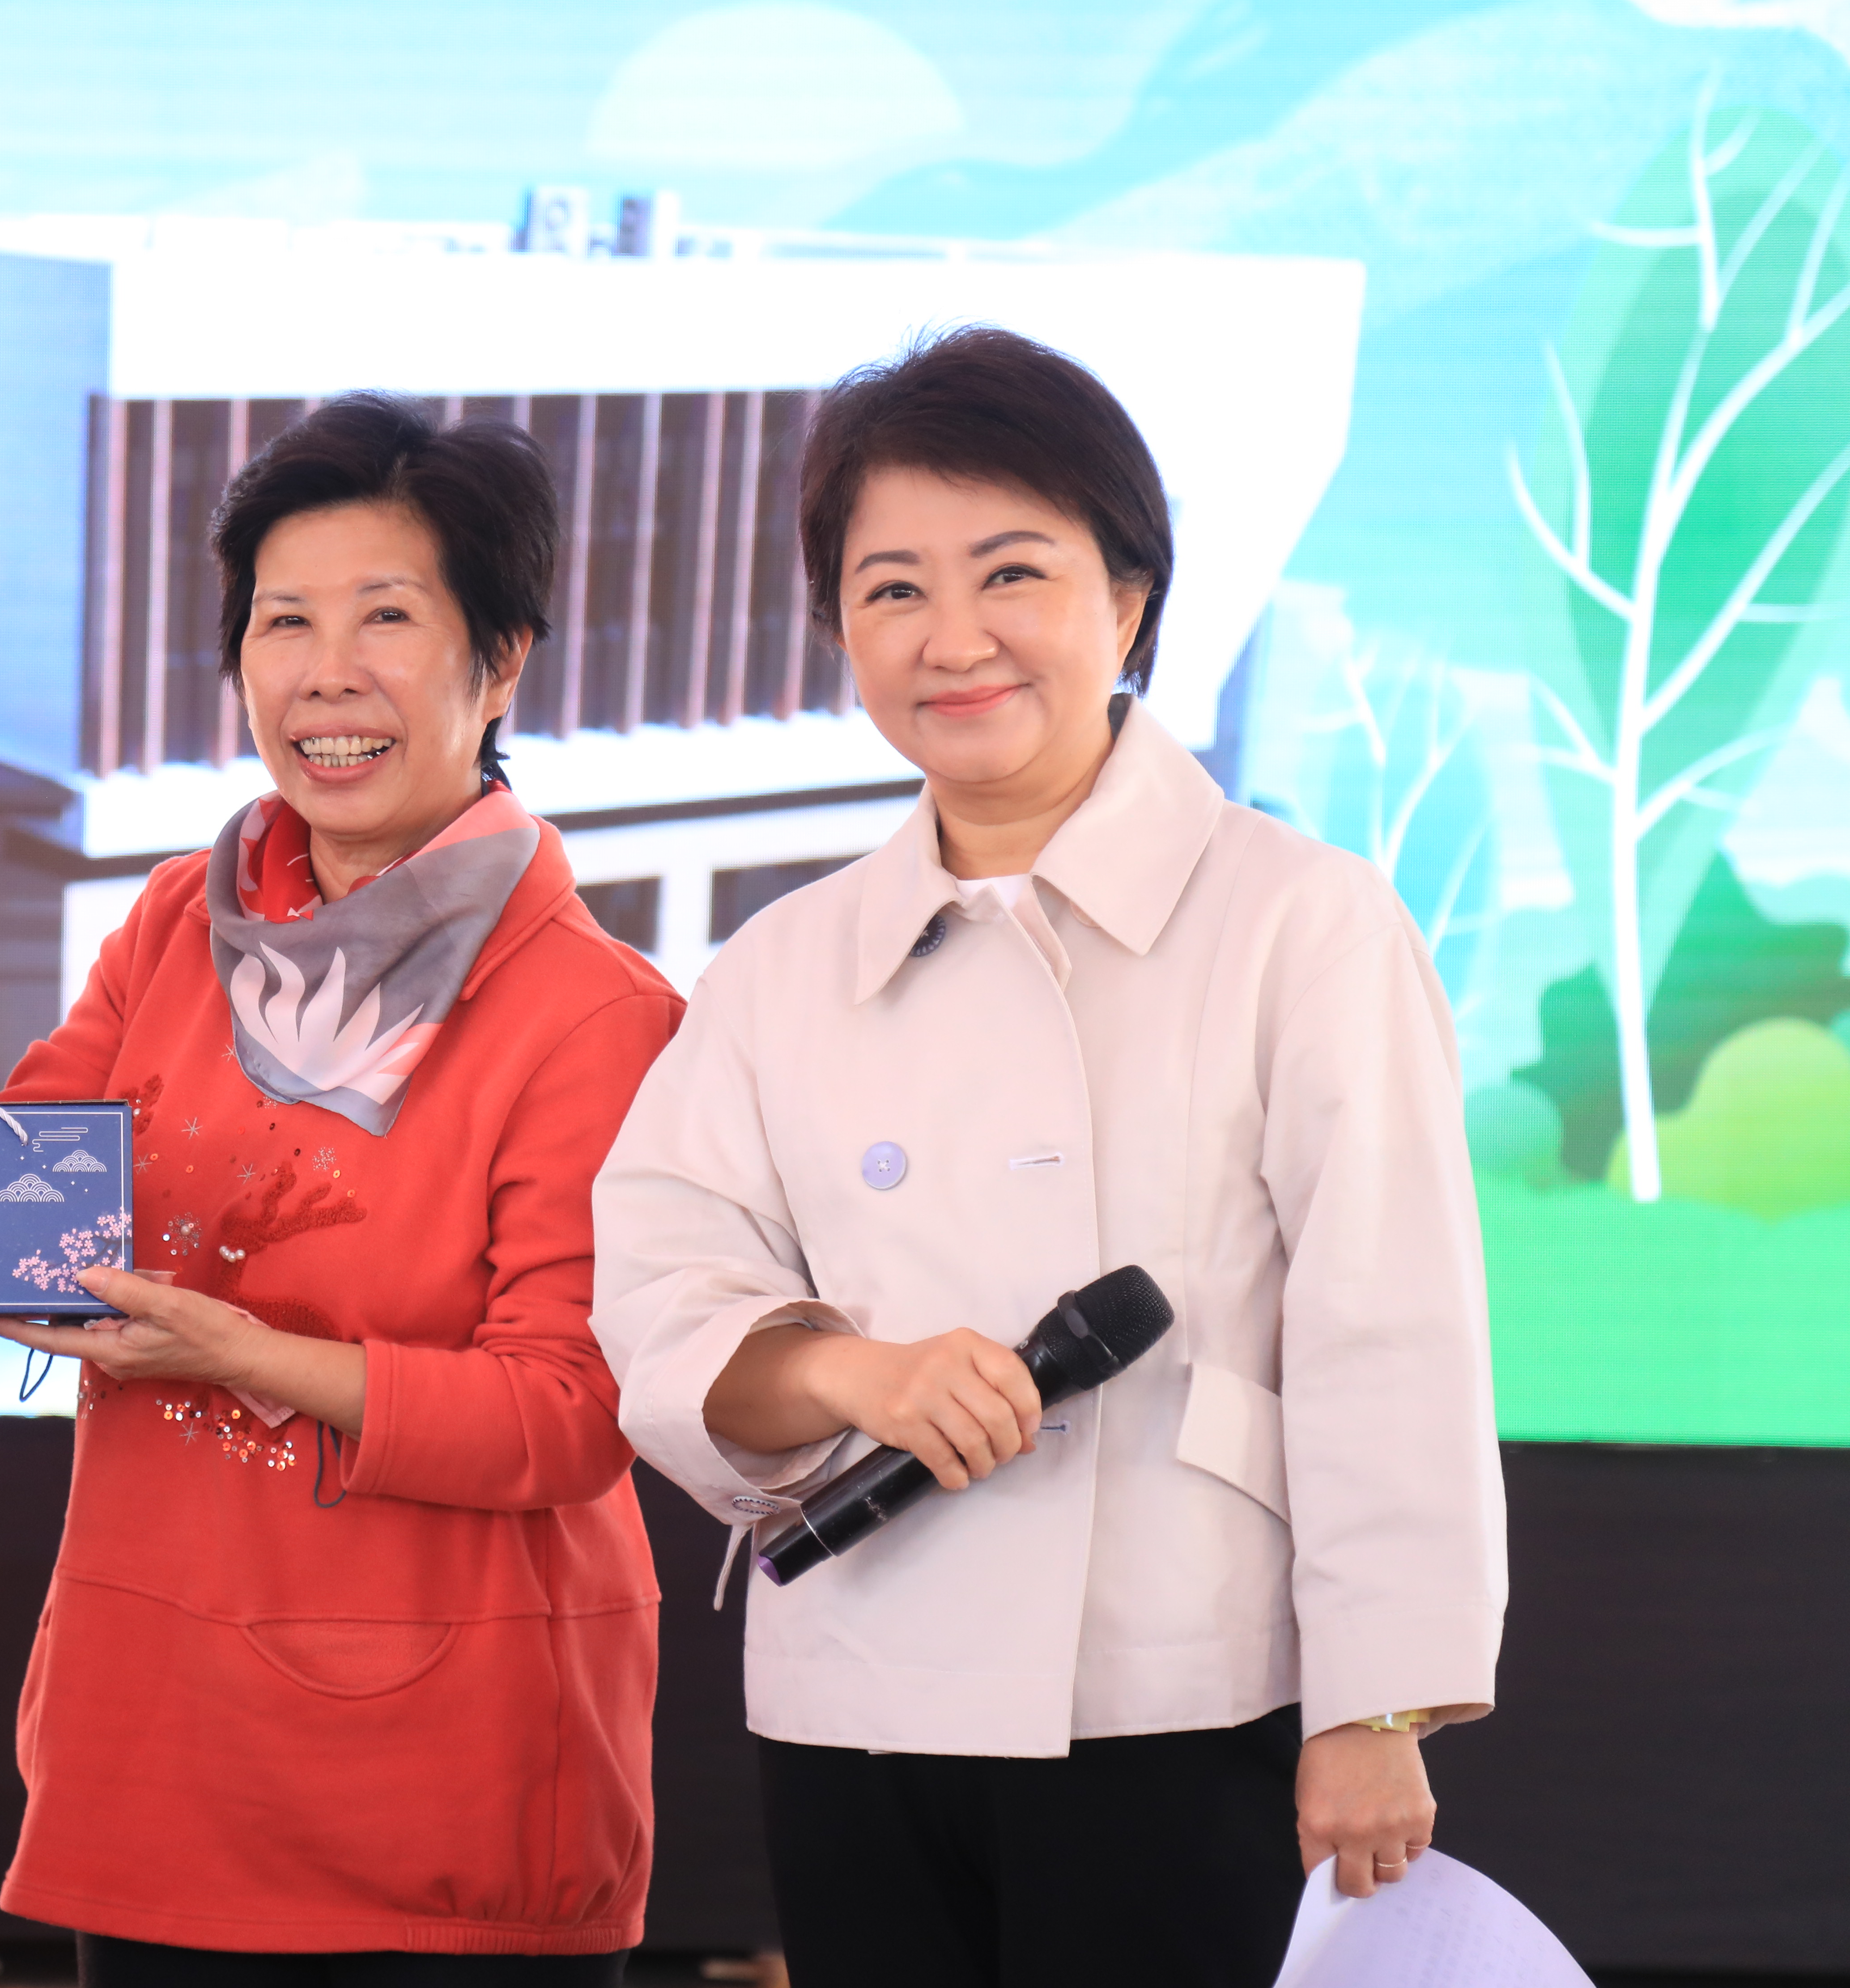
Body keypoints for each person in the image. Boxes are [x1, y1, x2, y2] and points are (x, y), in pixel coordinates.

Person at [589, 328, 1506, 1988]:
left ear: (1131, 599)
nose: (954, 640)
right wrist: (855, 1375)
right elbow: (661, 1289)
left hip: (1183, 1686)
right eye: (892, 590)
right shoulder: (780, 962)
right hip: (860, 1683)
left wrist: (1376, 1706)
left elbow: (1391, 1331)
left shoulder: (1303, 921)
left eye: (1012, 572)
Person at [0, 395, 684, 1981]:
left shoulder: (595, 1011)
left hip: (440, 1788)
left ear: (502, 661)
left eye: (388, 617)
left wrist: (247, 1354)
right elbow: (11, 1194)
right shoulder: (180, 918)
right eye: (283, 621)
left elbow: (571, 1412)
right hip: (155, 1750)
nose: (326, 672)